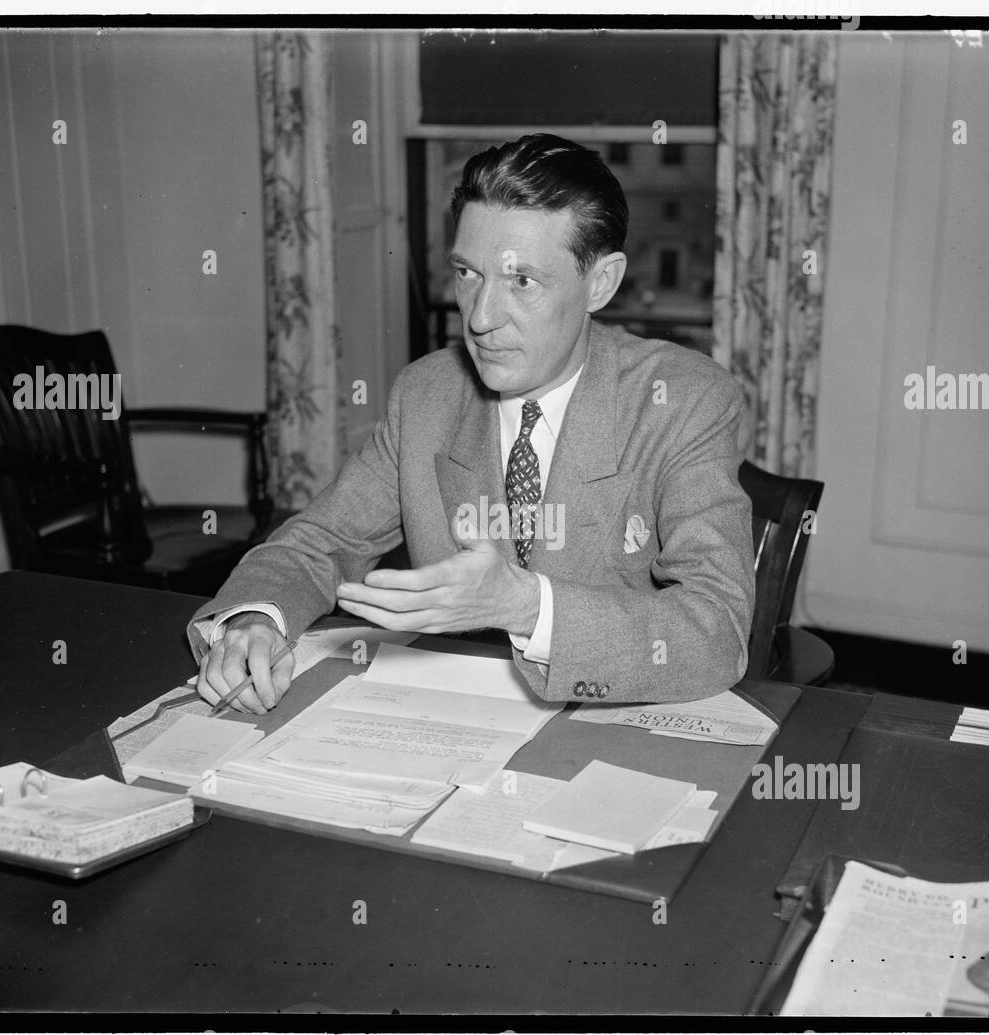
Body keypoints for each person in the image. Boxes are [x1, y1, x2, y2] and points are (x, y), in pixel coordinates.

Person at [190, 133, 754, 712]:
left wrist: (526, 605)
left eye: (521, 281)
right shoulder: (428, 394)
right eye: (467, 273)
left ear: (601, 283)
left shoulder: (684, 400)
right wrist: (256, 616)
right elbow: (324, 540)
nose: (480, 318)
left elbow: (718, 628)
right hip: (452, 726)